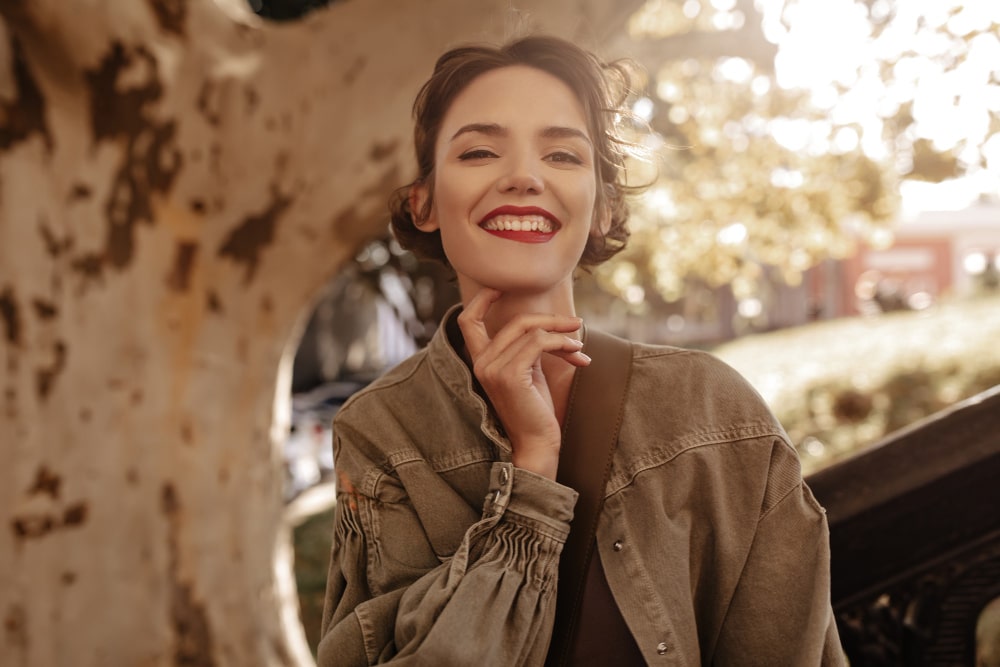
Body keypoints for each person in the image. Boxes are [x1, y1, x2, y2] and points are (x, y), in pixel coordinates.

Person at [317, 35, 845, 666]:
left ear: (604, 206)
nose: (522, 176)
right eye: (480, 150)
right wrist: (532, 474)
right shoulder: (382, 431)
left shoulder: (715, 414)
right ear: (423, 201)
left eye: (563, 155)